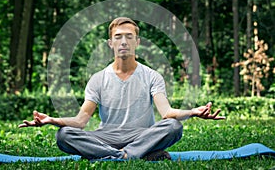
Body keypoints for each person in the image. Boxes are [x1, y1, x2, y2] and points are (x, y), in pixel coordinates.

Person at [19, 17, 225, 160]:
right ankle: (132, 155)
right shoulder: (98, 79)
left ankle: (121, 154)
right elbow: (81, 121)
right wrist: (52, 120)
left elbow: (167, 113)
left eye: (129, 36)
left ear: (138, 42)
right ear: (110, 43)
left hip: (141, 136)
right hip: (106, 137)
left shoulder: (152, 76)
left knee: (174, 127)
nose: (123, 41)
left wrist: (192, 112)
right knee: (64, 135)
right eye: (118, 37)